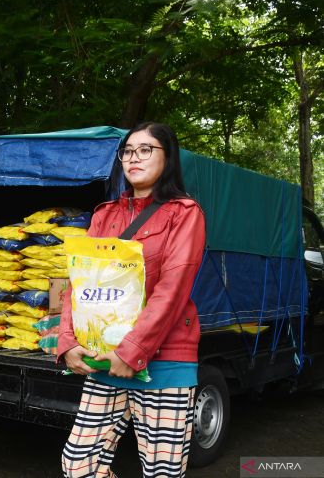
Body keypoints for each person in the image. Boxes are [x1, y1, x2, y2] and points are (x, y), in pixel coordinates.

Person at [58, 122, 206, 478]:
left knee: (162, 471)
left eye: (145, 150)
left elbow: (172, 290)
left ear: (167, 157)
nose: (133, 158)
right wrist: (67, 342)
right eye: (127, 151)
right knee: (78, 465)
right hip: (103, 359)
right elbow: (78, 282)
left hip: (164, 361)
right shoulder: (104, 214)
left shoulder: (185, 214)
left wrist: (131, 351)